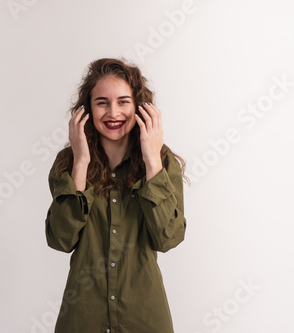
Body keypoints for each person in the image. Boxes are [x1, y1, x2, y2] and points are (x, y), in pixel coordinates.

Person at [45, 57, 188, 333]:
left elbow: (168, 237)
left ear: (140, 108)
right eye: (102, 102)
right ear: (87, 110)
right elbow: (61, 239)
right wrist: (80, 163)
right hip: (82, 319)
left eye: (123, 101)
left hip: (144, 319)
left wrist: (151, 160)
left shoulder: (161, 162)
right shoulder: (68, 163)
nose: (113, 112)